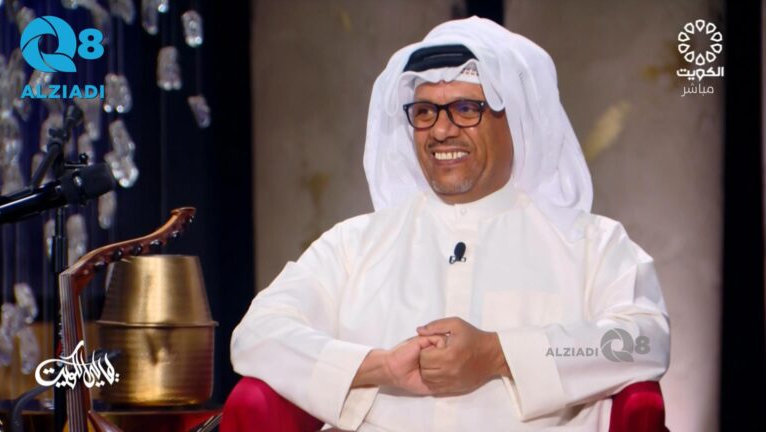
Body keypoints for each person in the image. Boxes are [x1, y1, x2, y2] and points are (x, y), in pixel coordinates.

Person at [231, 16, 670, 431]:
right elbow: (256, 335)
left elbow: (645, 340)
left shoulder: (590, 243)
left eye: (465, 108)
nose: (441, 131)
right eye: (425, 112)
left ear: (516, 119)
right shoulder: (355, 245)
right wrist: (380, 368)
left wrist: (499, 354)